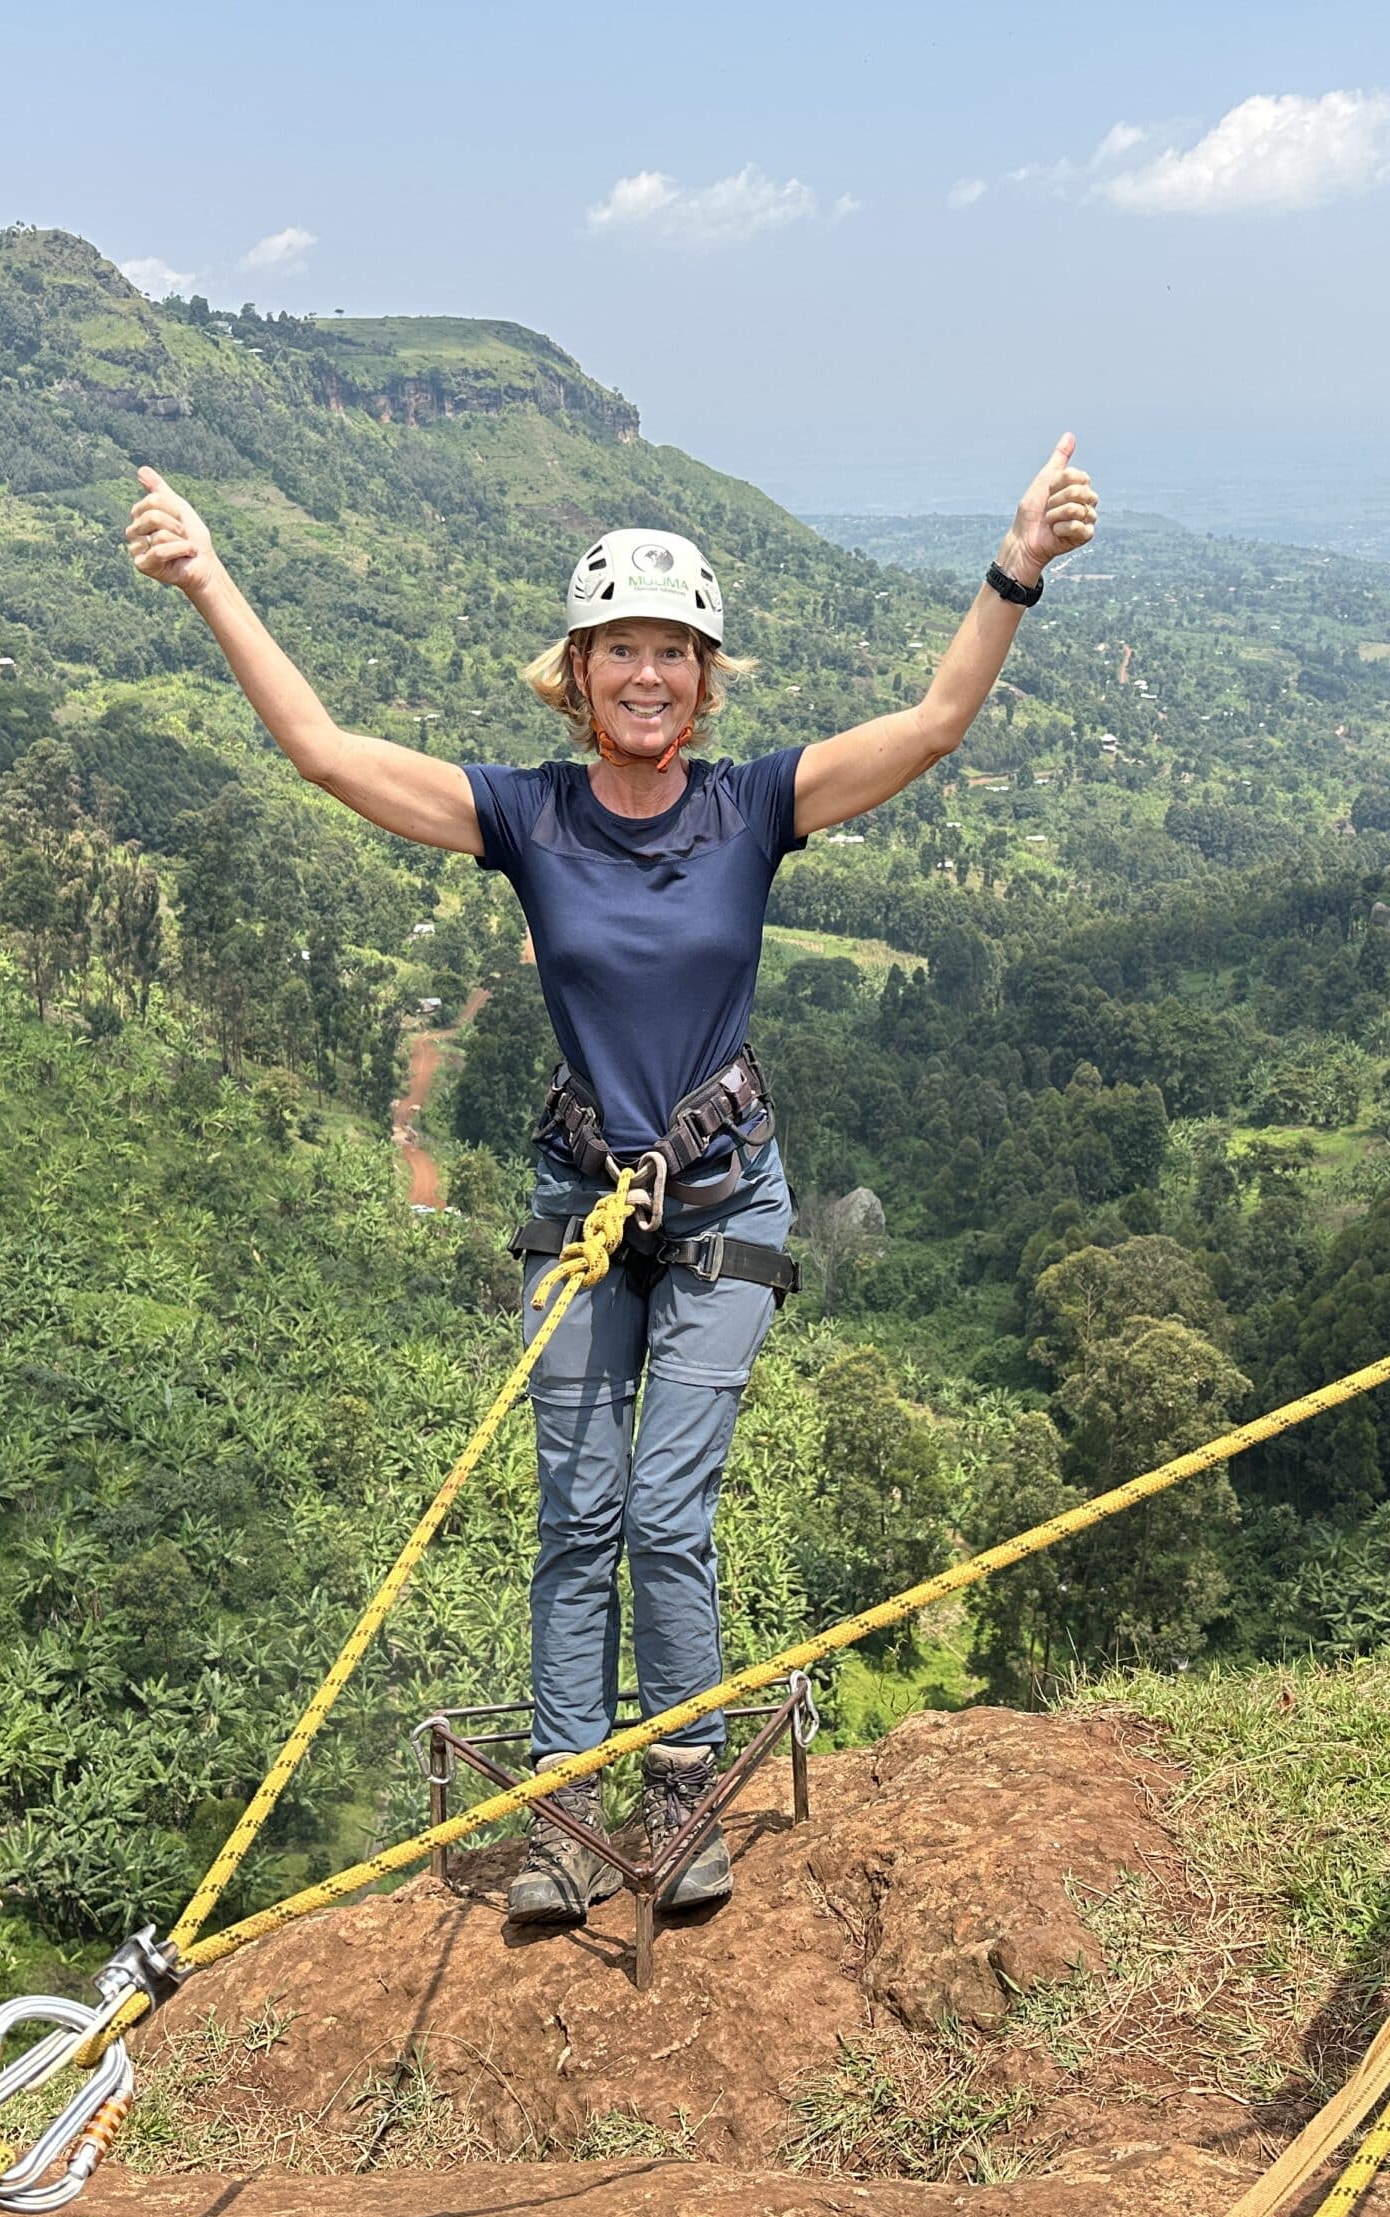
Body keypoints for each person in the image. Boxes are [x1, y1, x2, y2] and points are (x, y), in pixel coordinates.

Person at [126, 440, 1097, 1926]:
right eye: (620, 650)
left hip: (723, 1201)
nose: (648, 675)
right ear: (575, 676)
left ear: (705, 683)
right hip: (581, 1201)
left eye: (673, 652)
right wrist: (207, 578)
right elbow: (324, 750)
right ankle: (566, 1816)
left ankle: (681, 1784)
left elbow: (936, 721)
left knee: (661, 1507)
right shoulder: (527, 818)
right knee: (574, 1508)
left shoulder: (754, 805)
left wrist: (1013, 566)